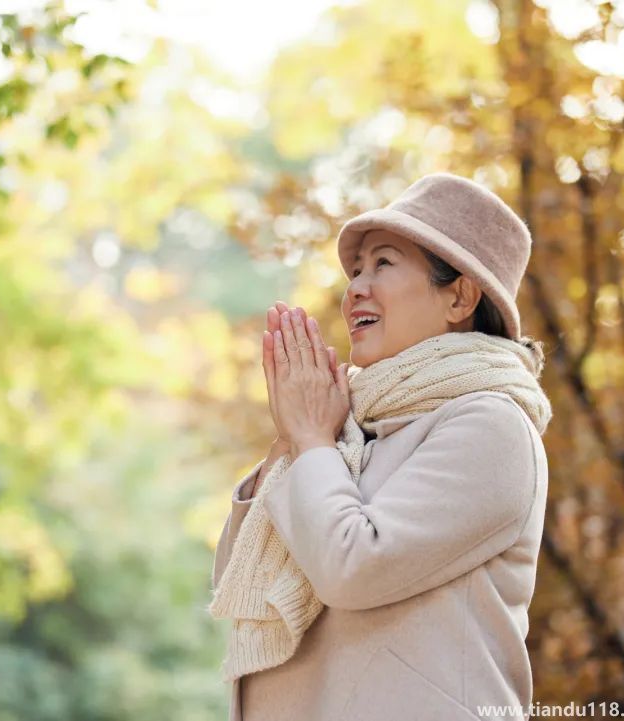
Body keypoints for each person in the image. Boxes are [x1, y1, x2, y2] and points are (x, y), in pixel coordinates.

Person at [208, 172, 554, 721]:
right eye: (356, 270)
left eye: (384, 264)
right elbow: (237, 575)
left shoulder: (492, 426)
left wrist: (311, 439)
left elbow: (353, 566)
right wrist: (290, 439)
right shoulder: (349, 423)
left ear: (460, 295)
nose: (356, 289)